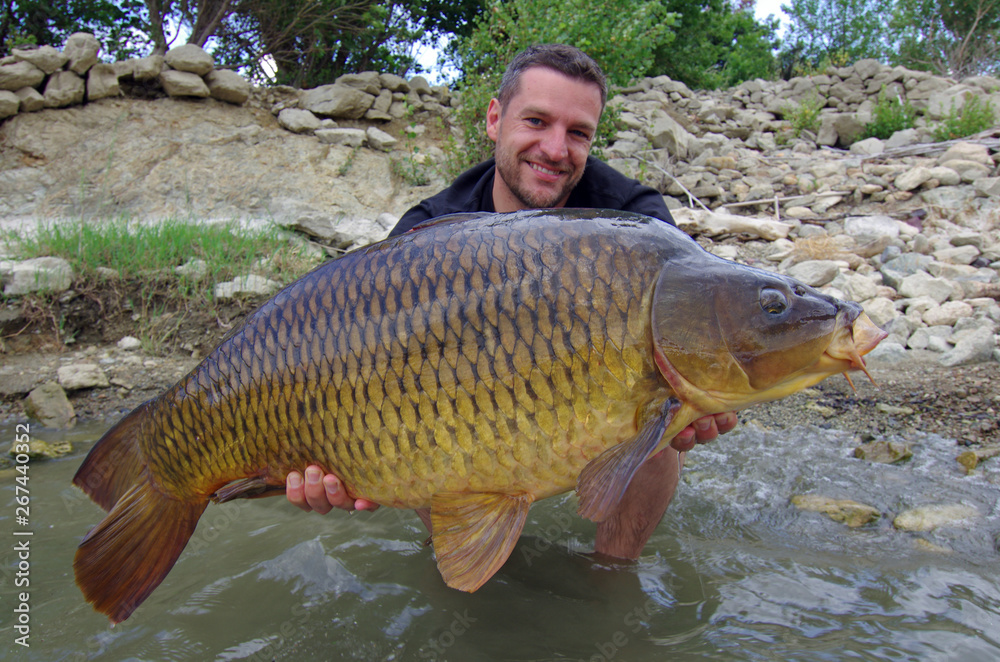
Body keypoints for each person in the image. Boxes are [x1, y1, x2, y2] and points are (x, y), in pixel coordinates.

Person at [286, 44, 738, 559]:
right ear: (495, 119)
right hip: (458, 400)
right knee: (415, 423)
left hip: (592, 388)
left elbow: (689, 318)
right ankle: (465, 566)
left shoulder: (635, 221)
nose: (555, 148)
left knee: (659, 414)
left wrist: (704, 391)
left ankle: (612, 572)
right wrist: (344, 459)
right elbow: (366, 364)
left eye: (578, 133)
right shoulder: (427, 229)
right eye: (537, 121)